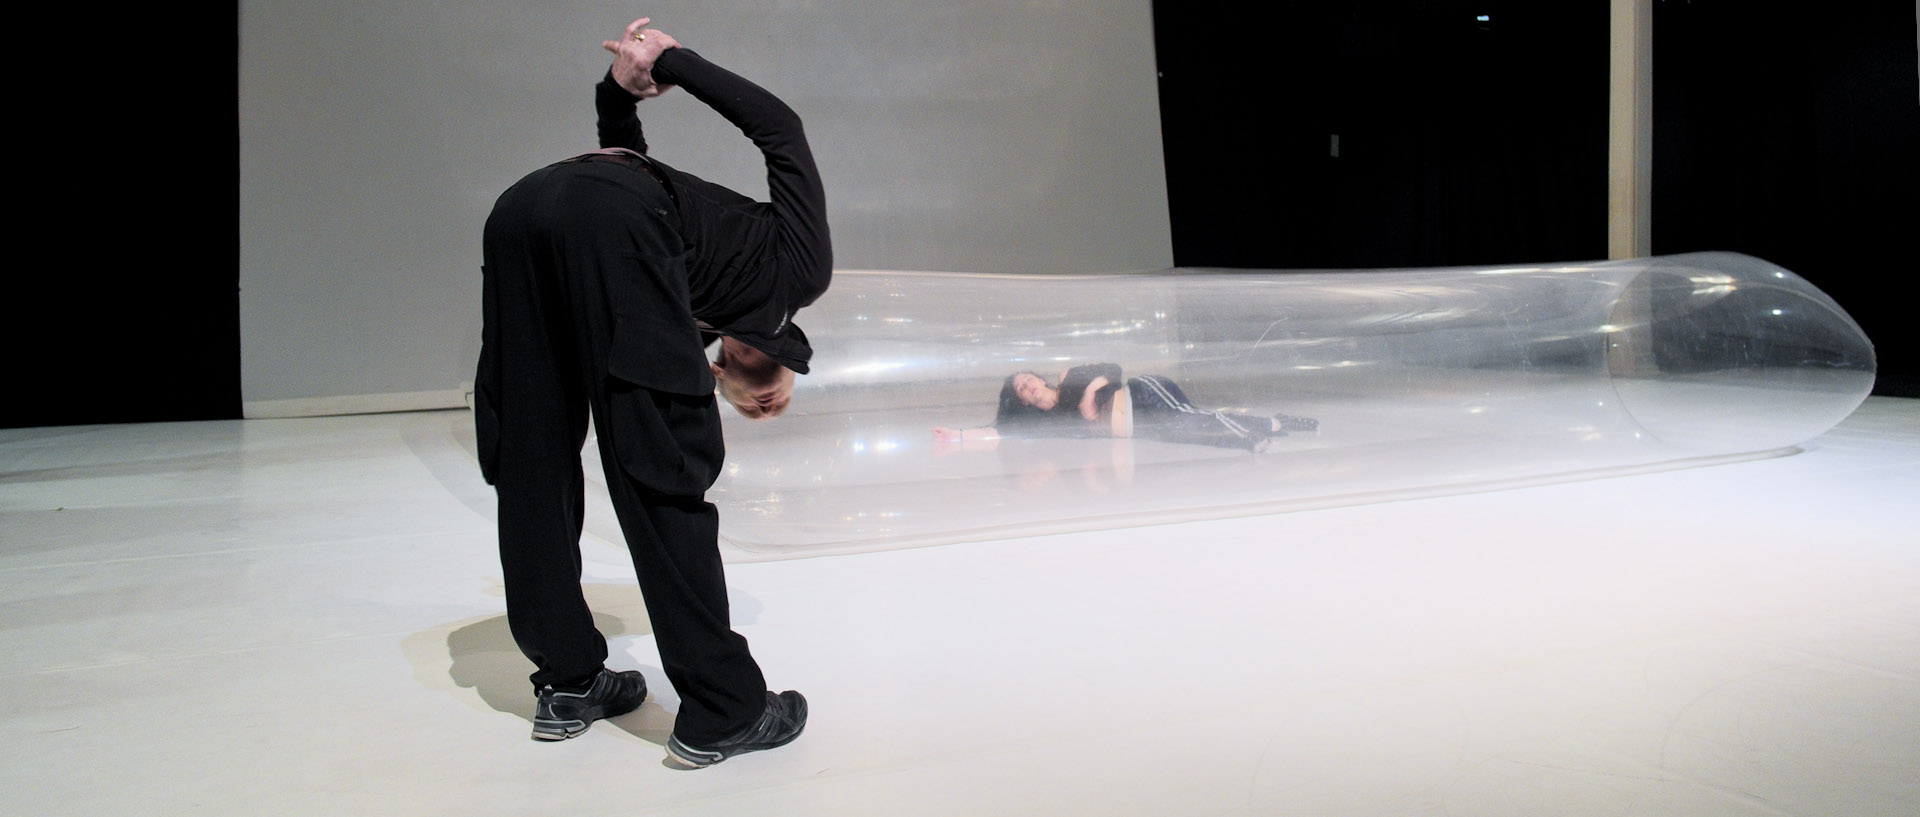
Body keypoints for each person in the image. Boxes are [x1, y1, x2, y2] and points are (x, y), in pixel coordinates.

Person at [472, 16, 826, 768]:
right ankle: (724, 710)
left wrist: (618, 90)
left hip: (524, 210)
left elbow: (622, 156)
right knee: (663, 470)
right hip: (604, 205)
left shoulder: (687, 303)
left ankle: (569, 681)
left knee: (531, 450)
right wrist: (675, 61)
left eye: (735, 385)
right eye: (766, 384)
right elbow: (780, 131)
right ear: (783, 350)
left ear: (718, 368)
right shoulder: (800, 271)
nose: (754, 384)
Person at [932, 363, 1317, 452]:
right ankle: (1274, 423)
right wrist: (959, 435)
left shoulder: (1068, 377)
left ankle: (1251, 439)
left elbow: (1111, 371)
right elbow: (1002, 429)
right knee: (1193, 427)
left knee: (1191, 419)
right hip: (1140, 425)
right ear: (1023, 400)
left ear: (1038, 377)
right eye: (1020, 389)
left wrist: (1086, 395)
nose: (1027, 385)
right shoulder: (1044, 421)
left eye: (1027, 378)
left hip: (1142, 395)